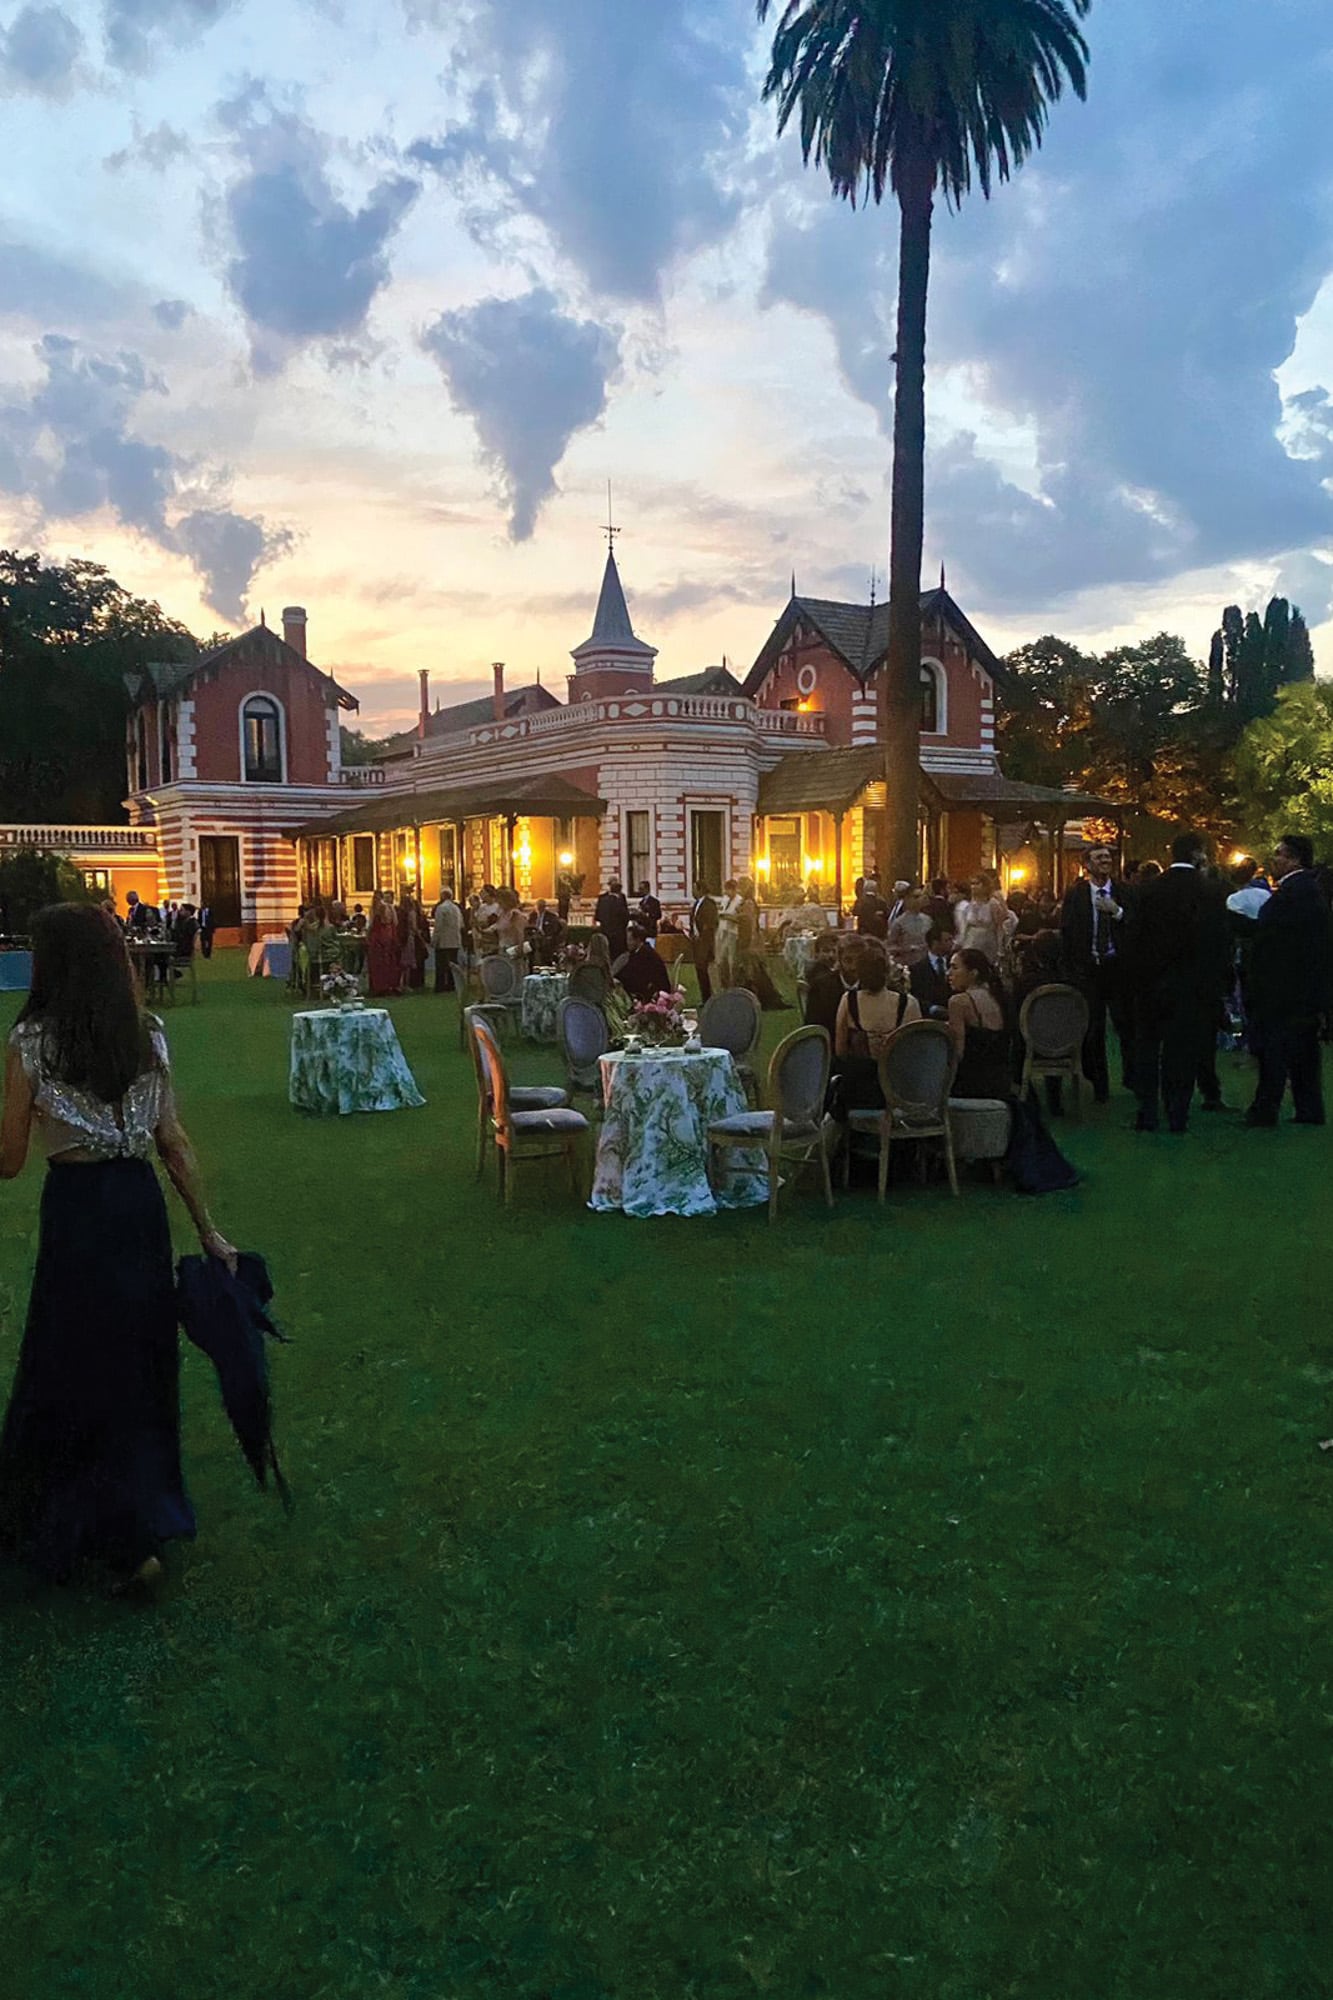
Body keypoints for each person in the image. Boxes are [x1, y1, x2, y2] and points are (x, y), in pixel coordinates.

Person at [0, 904, 236, 1587]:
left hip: (77, 1210)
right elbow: (174, 1143)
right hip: (138, 1207)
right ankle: (138, 1520)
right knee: (138, 1361)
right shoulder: (147, 1034)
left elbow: (10, 1158)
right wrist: (208, 1230)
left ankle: (78, 1518)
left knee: (69, 1358)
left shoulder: (33, 1042)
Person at [1131, 832, 1230, 1134]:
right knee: (1183, 1052)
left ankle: (1147, 1112)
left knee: (1148, 1050)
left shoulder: (1146, 892)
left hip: (1151, 984)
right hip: (1192, 986)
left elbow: (1134, 940)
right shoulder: (1212, 892)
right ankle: (1177, 1113)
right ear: (1198, 854)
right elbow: (1219, 944)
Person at [1244, 833, 1333, 1128]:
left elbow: (1274, 940)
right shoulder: (1310, 891)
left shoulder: (1292, 895)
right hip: (1304, 988)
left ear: (1294, 858)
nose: (1275, 859)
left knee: (1275, 1049)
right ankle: (1309, 1109)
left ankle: (1265, 1108)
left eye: (1280, 854)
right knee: (1304, 1052)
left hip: (1283, 988)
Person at [1061, 844, 1134, 1101]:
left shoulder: (1125, 892)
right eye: (1099, 857)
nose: (1105, 861)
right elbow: (1067, 932)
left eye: (1108, 857)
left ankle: (1133, 1078)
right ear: (1087, 865)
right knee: (1093, 1028)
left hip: (1118, 969)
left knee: (1126, 1024)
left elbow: (1137, 926)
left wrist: (1117, 912)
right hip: (1089, 969)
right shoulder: (1076, 895)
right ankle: (1099, 1084)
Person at [832, 941, 921, 1115]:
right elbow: (916, 1052)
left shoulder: (848, 1001)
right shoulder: (908, 1003)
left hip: (860, 1088)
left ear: (859, 973)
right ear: (887, 972)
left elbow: (840, 1051)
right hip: (900, 1087)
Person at [946, 948, 1014, 1100]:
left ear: (973, 973)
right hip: (1002, 1082)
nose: (948, 973)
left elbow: (958, 1053)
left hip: (973, 1085)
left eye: (954, 967)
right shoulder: (1000, 997)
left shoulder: (959, 1002)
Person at [806, 935, 863, 1039]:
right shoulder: (820, 987)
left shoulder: (869, 986)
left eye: (859, 961)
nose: (854, 967)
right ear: (839, 960)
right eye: (848, 960)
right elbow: (812, 1028)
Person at [954, 877, 1015, 963]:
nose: (973, 887)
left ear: (985, 886)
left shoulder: (992, 903)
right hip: (971, 941)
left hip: (987, 941)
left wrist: (1000, 948)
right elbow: (964, 926)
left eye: (977, 884)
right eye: (972, 884)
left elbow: (999, 927)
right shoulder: (968, 904)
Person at [910, 923, 955, 1020]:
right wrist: (931, 1008)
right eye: (947, 940)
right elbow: (915, 996)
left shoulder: (956, 964)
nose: (952, 943)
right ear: (935, 943)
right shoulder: (916, 969)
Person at [618, 922, 672, 1003]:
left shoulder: (645, 954)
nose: (627, 943)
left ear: (638, 940)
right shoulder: (638, 951)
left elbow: (636, 976)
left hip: (655, 991)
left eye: (630, 940)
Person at [367, 889, 401, 997]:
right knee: (388, 961)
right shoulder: (389, 907)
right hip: (388, 935)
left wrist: (367, 935)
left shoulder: (375, 908)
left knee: (378, 962)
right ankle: (390, 985)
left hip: (378, 937)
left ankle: (379, 986)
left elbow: (371, 924)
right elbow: (395, 922)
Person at [887, 888, 932, 969]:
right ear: (907, 899)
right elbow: (890, 946)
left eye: (921, 896)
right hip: (908, 964)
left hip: (926, 965)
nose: (919, 900)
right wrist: (905, 949)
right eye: (916, 897)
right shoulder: (899, 922)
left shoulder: (928, 920)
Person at [689, 884, 719, 1003]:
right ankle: (705, 997)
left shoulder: (709, 903)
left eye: (694, 889)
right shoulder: (696, 904)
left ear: (700, 889)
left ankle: (710, 996)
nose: (692, 891)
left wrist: (703, 937)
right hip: (697, 941)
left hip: (705, 942)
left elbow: (711, 922)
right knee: (700, 970)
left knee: (705, 969)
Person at [431, 888, 463, 993]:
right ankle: (452, 984)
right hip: (455, 940)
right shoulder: (456, 908)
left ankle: (440, 986)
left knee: (441, 965)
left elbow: (438, 926)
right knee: (453, 964)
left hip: (443, 941)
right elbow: (461, 924)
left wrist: (435, 940)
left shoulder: (441, 908)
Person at [594, 879, 630, 962]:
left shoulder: (603, 900)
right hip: (618, 935)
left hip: (605, 932)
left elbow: (598, 916)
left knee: (606, 957)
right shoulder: (618, 902)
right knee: (617, 958)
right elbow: (625, 917)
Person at [715, 880, 741, 988]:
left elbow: (740, 919)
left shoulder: (740, 901)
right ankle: (724, 984)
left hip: (733, 932)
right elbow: (720, 910)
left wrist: (727, 916)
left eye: (728, 890)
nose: (726, 892)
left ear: (734, 890)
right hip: (722, 931)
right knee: (720, 960)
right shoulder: (725, 899)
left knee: (732, 961)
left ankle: (733, 984)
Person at [526, 897, 564, 967]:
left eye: (541, 907)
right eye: (538, 906)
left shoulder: (551, 916)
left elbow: (554, 930)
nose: (539, 909)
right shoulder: (532, 916)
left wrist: (546, 936)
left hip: (546, 938)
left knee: (544, 944)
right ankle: (531, 964)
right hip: (534, 938)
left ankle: (545, 964)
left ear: (544, 907)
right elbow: (528, 927)